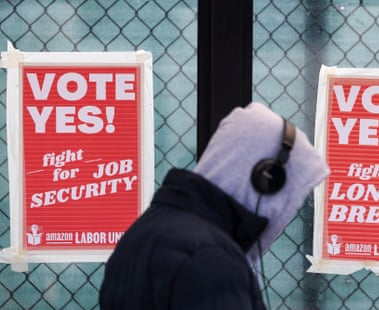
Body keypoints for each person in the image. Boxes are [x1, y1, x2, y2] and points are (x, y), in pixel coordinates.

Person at [99, 102, 329, 309]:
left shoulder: (151, 228)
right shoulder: (211, 260)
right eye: (291, 198)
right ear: (266, 179)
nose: (287, 214)